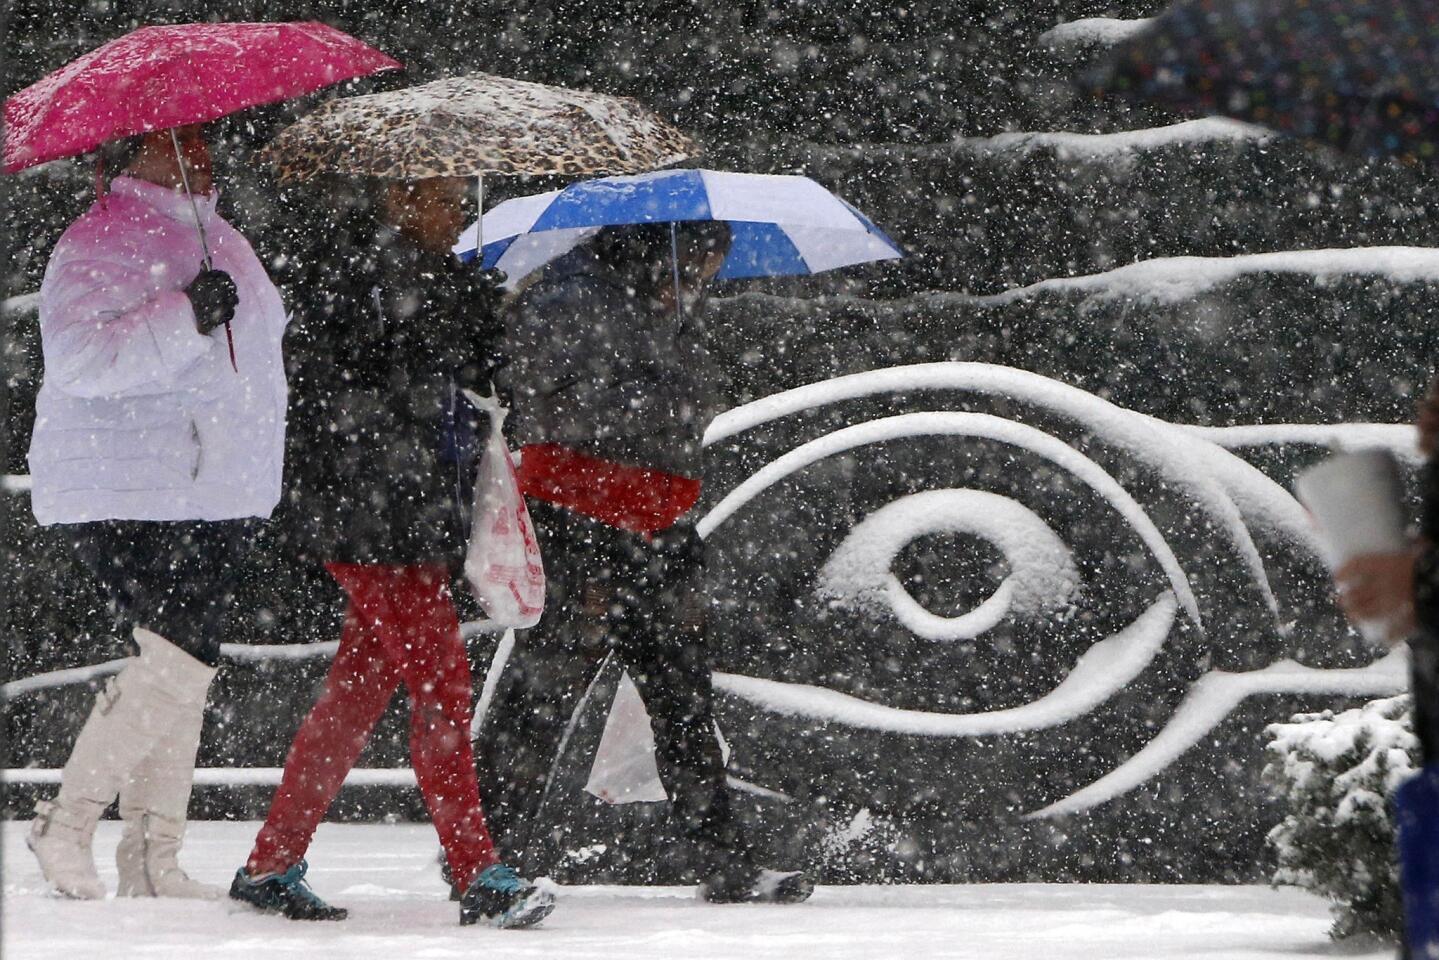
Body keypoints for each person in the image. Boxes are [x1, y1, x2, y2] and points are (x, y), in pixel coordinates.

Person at [227, 174, 555, 928]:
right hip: (367, 517)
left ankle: (271, 862)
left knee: (354, 698)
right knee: (443, 689)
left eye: (451, 196)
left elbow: (471, 382)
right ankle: (480, 874)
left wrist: (483, 324)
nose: (451, 211)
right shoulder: (349, 269)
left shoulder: (437, 281)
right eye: (436, 196)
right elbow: (346, 388)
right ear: (396, 197)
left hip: (410, 515)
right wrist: (450, 316)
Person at [480, 221, 814, 903]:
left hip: (657, 525)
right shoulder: (567, 299)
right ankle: (486, 854)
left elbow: (677, 405)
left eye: (710, 273)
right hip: (581, 525)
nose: (700, 285)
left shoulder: (662, 311)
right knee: (543, 696)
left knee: (682, 698)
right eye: (696, 267)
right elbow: (549, 396)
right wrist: (646, 382)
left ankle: (723, 860)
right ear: (658, 247)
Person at [25, 123, 288, 900]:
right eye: (170, 144)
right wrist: (185, 316)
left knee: (186, 663)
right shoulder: (98, 237)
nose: (194, 156)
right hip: (133, 483)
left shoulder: (221, 236)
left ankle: (151, 857)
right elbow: (79, 360)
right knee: (178, 655)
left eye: (201, 140)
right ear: (123, 155)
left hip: (211, 483)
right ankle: (66, 823)